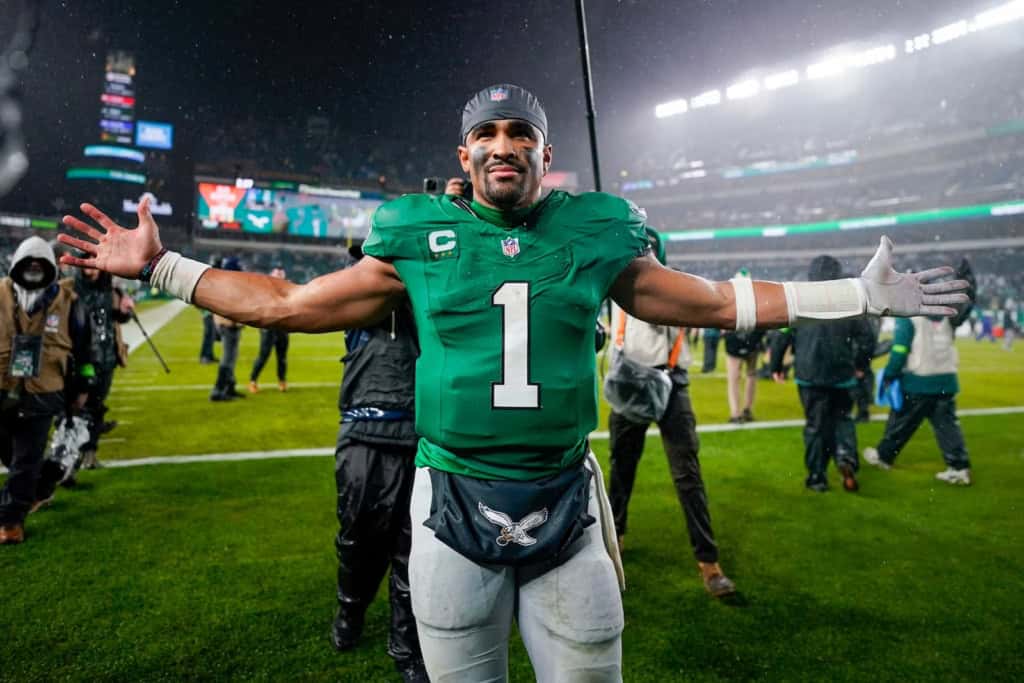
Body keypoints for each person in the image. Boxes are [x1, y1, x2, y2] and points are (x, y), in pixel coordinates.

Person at [59, 83, 968, 681]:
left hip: (564, 499)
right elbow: (287, 303)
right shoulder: (417, 236)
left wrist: (852, 295)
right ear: (464, 155)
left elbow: (716, 300)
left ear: (544, 154)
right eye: (486, 133)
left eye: (520, 133)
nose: (504, 145)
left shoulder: (596, 231)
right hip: (451, 498)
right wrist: (163, 266)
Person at [606, 229, 736, 598]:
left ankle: (708, 561)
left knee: (687, 472)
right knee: (621, 467)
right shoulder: (611, 279)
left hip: (671, 379)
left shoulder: (673, 282)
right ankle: (614, 542)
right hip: (631, 377)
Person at [331, 246, 425, 681]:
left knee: (414, 550)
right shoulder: (361, 293)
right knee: (357, 540)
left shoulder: (429, 294)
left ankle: (406, 646)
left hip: (423, 437)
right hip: (364, 433)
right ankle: (350, 609)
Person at [0, 237, 93, 544]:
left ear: (51, 267)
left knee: (25, 459)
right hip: (2, 388)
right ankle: (44, 483)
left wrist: (83, 386)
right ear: (16, 264)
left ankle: (11, 521)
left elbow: (84, 350)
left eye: (41, 263)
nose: (34, 268)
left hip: (45, 392)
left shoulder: (70, 302)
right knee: (11, 455)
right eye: (28, 262)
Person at [864, 260, 977, 485]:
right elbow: (965, 306)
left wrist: (890, 375)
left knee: (901, 423)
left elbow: (899, 350)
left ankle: (884, 457)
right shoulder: (948, 312)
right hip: (945, 379)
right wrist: (969, 285)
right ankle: (959, 467)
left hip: (918, 380)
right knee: (947, 426)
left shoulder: (909, 317)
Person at [770, 256, 876, 493]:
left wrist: (775, 366)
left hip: (810, 375)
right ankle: (846, 457)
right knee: (843, 419)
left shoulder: (798, 302)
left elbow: (781, 336)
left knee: (816, 426)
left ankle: (817, 477)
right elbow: (868, 338)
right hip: (842, 374)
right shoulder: (849, 303)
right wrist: (860, 364)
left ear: (811, 276)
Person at [71, 264, 133, 470]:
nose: (91, 270)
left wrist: (125, 310)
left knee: (97, 407)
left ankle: (90, 454)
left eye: (94, 265)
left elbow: (118, 318)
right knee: (75, 409)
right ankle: (70, 457)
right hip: (80, 358)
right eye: (86, 265)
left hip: (107, 358)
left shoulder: (110, 290)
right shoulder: (70, 289)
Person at [722, 269, 763, 424]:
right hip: (752, 342)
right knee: (751, 375)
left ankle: (735, 413)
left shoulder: (730, 297)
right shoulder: (756, 297)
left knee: (734, 378)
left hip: (734, 343)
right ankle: (747, 409)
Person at [209, 256, 245, 402]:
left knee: (231, 358)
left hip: (228, 325)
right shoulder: (227, 284)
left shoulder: (223, 282)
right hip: (229, 325)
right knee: (228, 359)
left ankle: (230, 388)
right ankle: (218, 391)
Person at [249, 266, 290, 393]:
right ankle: (253, 380)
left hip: (282, 327)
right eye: (277, 274)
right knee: (263, 355)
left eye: (281, 275)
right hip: (268, 327)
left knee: (282, 357)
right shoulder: (264, 289)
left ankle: (282, 381)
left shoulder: (287, 289)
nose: (279, 277)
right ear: (271, 275)